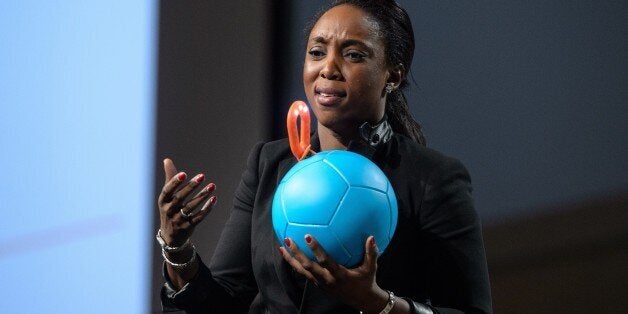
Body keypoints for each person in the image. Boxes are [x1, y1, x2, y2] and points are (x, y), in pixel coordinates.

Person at [156, 0, 492, 313]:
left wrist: (379, 304)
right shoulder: (269, 165)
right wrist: (178, 248)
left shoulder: (431, 178)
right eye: (317, 52)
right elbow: (225, 302)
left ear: (393, 75)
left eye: (354, 55)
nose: (328, 68)